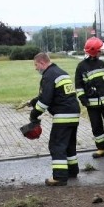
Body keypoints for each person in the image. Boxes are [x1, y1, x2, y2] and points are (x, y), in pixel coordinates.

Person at [27, 52, 81, 186]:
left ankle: (59, 177)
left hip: (62, 115)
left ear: (42, 63)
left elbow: (45, 101)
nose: (36, 68)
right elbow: (53, 94)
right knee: (69, 144)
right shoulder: (61, 72)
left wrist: (33, 115)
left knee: (56, 145)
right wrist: (32, 102)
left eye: (36, 65)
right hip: (74, 113)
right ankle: (72, 171)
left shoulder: (48, 76)